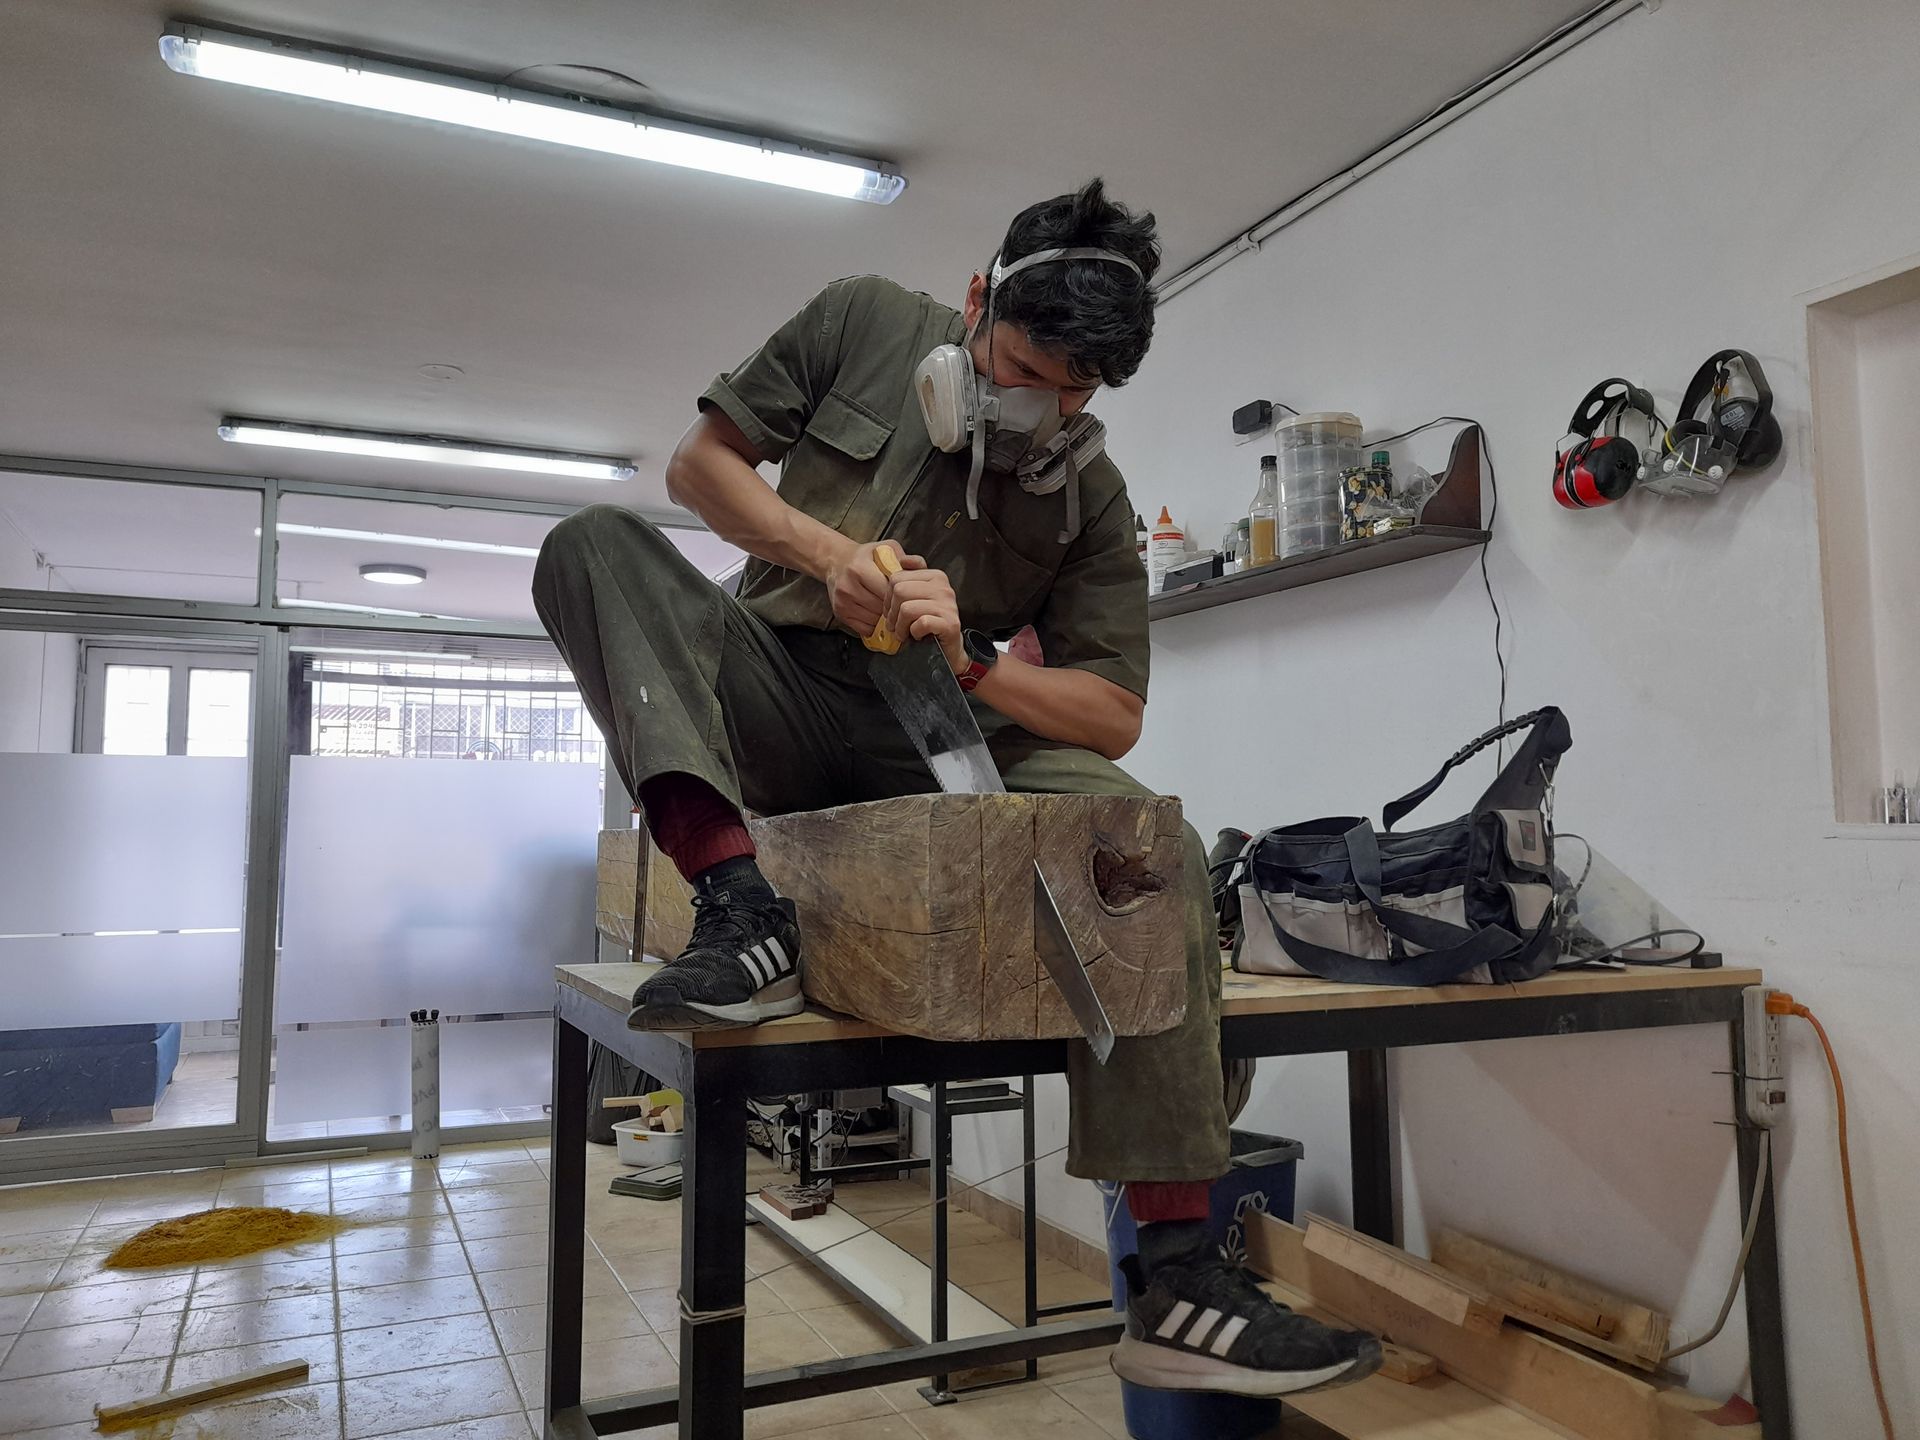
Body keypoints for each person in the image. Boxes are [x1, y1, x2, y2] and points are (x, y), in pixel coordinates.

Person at [532, 179, 1380, 1397]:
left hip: (936, 727)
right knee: (590, 547)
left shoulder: (1087, 491)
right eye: (1029, 367)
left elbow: (1115, 713)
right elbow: (698, 467)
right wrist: (827, 558)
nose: (1048, 407)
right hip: (770, 694)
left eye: (1080, 393)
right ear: (978, 304)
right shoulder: (863, 320)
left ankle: (1182, 1275)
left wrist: (976, 658)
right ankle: (740, 911)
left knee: (1156, 843)